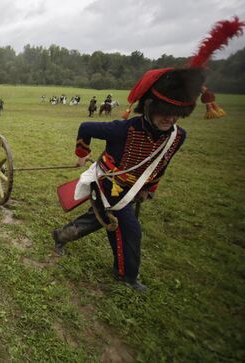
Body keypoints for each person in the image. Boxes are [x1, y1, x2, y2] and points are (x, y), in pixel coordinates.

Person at [52, 17, 244, 292]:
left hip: (132, 188)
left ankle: (61, 236)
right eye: (165, 112)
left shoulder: (177, 137)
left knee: (102, 220)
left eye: (176, 114)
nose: (170, 119)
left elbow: (161, 164)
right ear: (151, 107)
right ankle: (127, 277)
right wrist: (82, 152)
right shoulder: (124, 128)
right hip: (108, 183)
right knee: (129, 227)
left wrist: (148, 188)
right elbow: (86, 126)